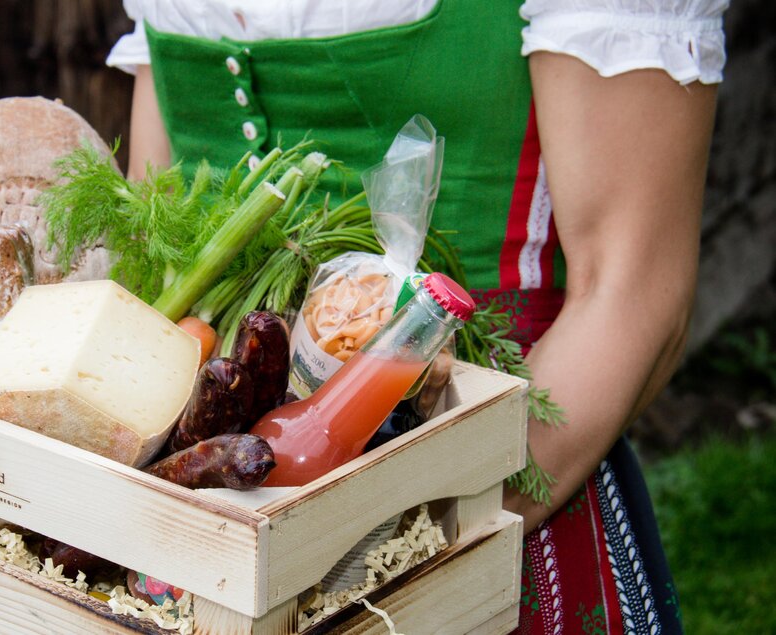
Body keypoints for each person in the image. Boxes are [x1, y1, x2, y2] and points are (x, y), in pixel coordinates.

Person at [106, 0, 726, 632]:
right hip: (190, 538)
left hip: (484, 500)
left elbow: (632, 293)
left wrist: (383, 568)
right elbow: (152, 243)